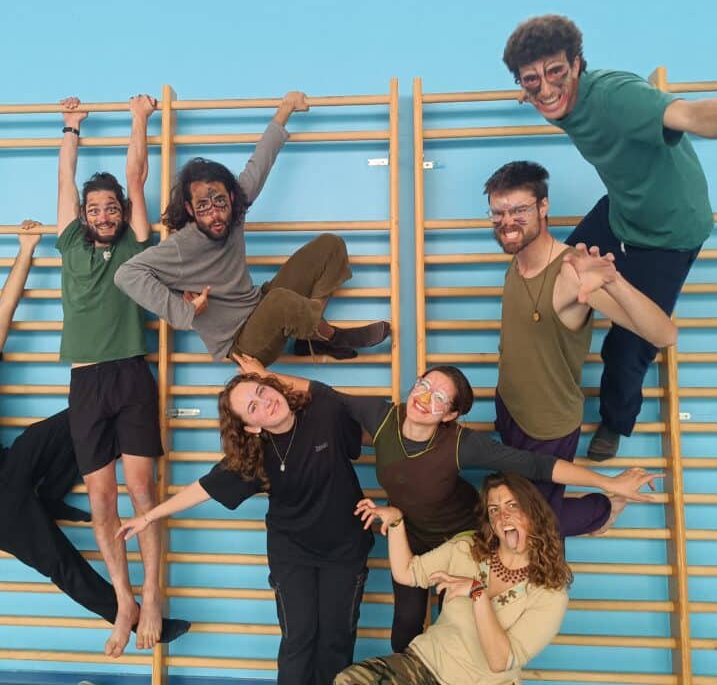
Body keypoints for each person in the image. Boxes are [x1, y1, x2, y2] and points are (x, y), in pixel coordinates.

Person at [502, 14, 717, 460]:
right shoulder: (553, 100)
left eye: (556, 72)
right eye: (531, 80)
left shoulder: (615, 97)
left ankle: (616, 422)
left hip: (670, 232)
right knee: (558, 272)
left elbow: (689, 114)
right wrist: (537, 88)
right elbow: (545, 89)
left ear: (578, 65)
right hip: (622, 209)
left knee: (628, 346)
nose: (547, 88)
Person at [0, 222, 189, 651]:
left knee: (83, 416)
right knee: (59, 560)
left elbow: (5, 308)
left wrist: (26, 249)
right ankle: (131, 617)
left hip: (7, 468)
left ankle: (47, 496)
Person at [234, 355, 659, 653]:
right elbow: (321, 392)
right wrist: (265, 376)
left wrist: (608, 481)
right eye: (424, 385)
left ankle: (605, 508)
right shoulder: (382, 417)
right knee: (405, 626)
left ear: (450, 415)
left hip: (463, 541)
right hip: (412, 537)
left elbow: (538, 465)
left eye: (439, 398)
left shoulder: (461, 444)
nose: (425, 398)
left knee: (459, 617)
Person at [116, 370, 373, 685]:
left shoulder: (324, 413)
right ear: (251, 426)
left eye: (262, 391)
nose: (265, 402)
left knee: (336, 640)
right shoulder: (254, 455)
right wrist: (148, 517)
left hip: (345, 550)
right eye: (253, 407)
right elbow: (204, 487)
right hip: (292, 554)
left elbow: (365, 422)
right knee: (299, 638)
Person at [113, 90, 390, 365]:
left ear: (232, 198)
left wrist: (286, 108)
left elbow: (260, 162)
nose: (215, 215)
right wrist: (183, 309)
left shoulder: (235, 212)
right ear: (189, 209)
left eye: (220, 202)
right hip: (242, 344)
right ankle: (332, 336)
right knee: (280, 300)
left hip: (259, 307)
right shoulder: (181, 246)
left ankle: (312, 334)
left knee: (330, 246)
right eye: (203, 207)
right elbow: (126, 274)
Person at [485, 160, 678, 536]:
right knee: (517, 504)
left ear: (543, 206)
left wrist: (614, 282)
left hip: (546, 426)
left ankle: (604, 510)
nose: (507, 222)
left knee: (532, 523)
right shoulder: (519, 258)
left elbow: (664, 334)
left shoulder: (571, 274)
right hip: (510, 407)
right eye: (498, 212)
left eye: (519, 210)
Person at [56, 95, 178, 651]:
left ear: (121, 212)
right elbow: (65, 181)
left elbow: (137, 174)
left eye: (111, 208)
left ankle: (151, 595)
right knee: (101, 501)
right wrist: (71, 129)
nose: (103, 215)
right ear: (84, 216)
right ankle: (123, 600)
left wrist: (139, 120)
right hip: (86, 383)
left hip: (130, 376)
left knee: (141, 490)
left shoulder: (134, 241)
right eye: (94, 209)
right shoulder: (69, 243)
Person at [336, 473, 571, 685]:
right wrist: (397, 522)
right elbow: (408, 573)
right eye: (494, 510)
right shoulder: (466, 547)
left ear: (533, 513)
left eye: (513, 505)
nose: (503, 515)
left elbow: (500, 661)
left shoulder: (550, 594)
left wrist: (477, 593)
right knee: (349, 681)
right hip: (423, 665)